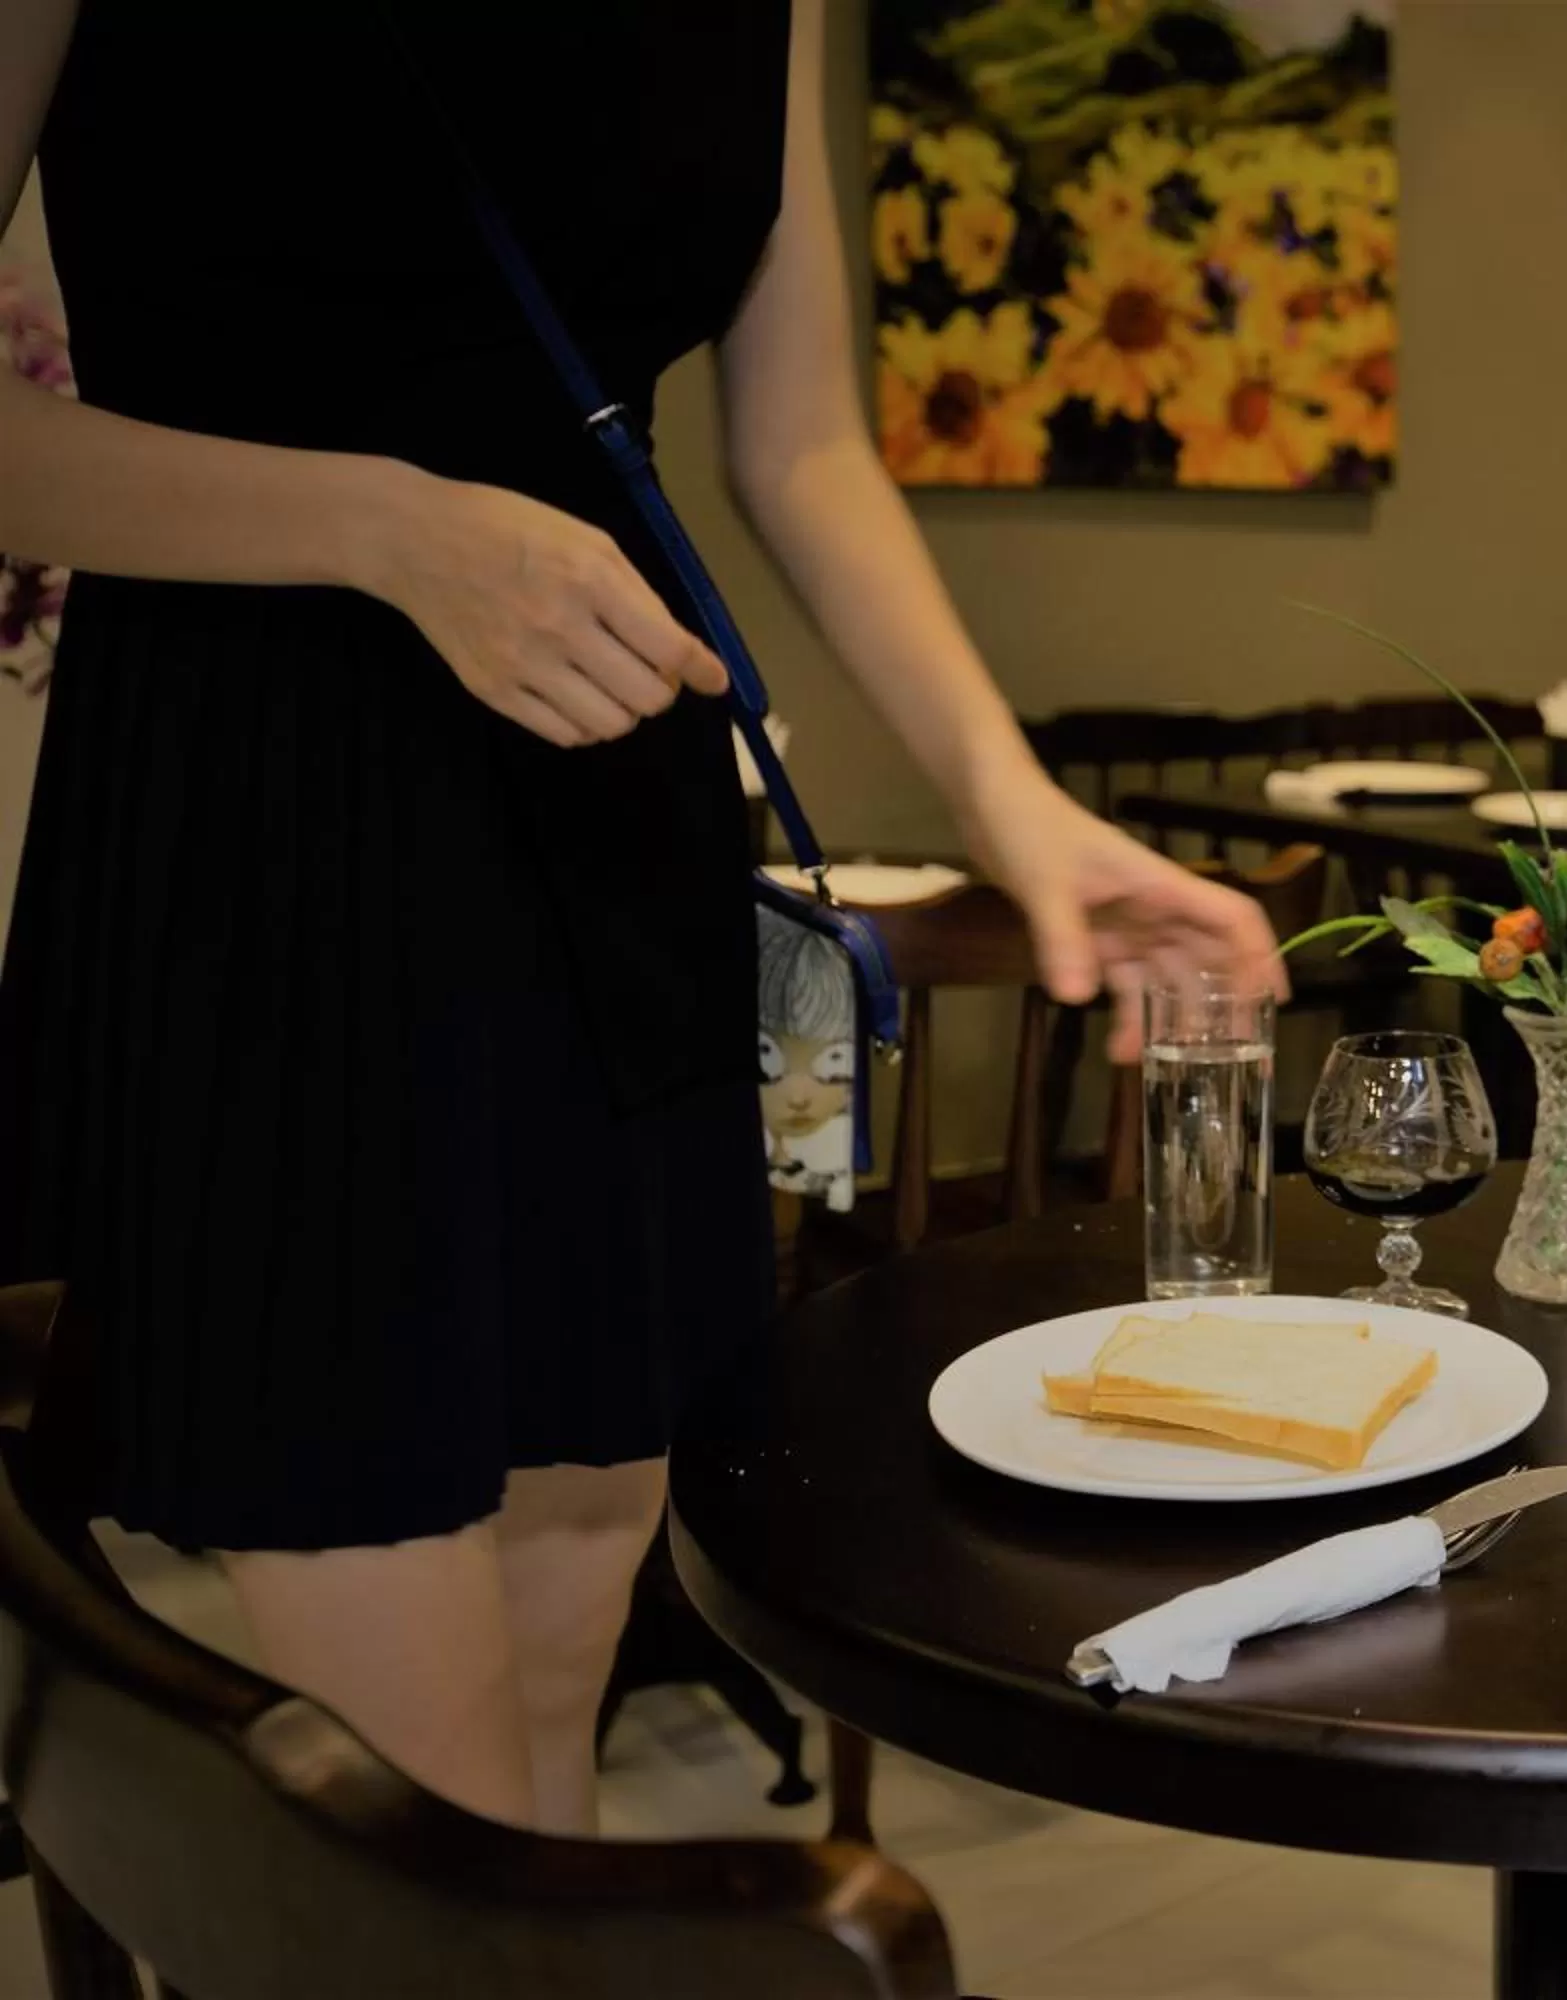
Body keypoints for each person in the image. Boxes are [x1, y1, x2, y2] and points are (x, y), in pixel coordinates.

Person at [0, 0, 1279, 1834]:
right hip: (274, 821)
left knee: (555, 1695)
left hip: (608, 824)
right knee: (423, 1807)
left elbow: (806, 447)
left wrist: (1018, 809)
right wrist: (388, 530)